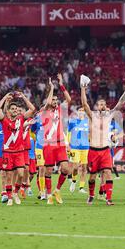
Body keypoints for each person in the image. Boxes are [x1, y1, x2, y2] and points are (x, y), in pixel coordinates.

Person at [81, 76, 125, 206]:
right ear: (97, 106)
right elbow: (84, 104)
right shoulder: (92, 116)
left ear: (106, 106)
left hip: (105, 150)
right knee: (92, 176)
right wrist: (83, 89)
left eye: (104, 104)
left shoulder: (109, 116)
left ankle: (109, 198)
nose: (102, 106)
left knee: (108, 173)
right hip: (93, 151)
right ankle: (91, 195)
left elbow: (121, 103)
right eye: (100, 104)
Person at [0, 92, 36, 206]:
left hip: (19, 152)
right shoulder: (4, 120)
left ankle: (15, 193)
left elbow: (32, 109)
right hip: (7, 152)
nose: (14, 110)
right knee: (8, 176)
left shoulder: (21, 119)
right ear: (8, 111)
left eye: (16, 109)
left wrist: (23, 97)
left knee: (21, 174)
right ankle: (9, 198)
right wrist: (5, 97)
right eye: (12, 108)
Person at [39, 74, 72, 205]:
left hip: (60, 144)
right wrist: (52, 87)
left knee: (65, 169)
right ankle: (48, 195)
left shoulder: (59, 109)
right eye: (53, 100)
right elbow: (47, 103)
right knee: (48, 170)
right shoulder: (44, 110)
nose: (55, 101)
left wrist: (61, 84)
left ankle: (57, 190)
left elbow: (68, 99)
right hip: (48, 145)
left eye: (56, 100)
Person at [68, 107, 90, 194]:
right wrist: (68, 144)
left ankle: (81, 187)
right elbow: (68, 133)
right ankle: (73, 181)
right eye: (80, 110)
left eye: (83, 111)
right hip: (75, 148)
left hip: (85, 148)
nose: (81, 112)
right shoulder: (72, 122)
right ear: (77, 112)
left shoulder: (88, 122)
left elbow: (90, 135)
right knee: (76, 167)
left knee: (84, 168)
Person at [31, 115, 46, 200]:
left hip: (49, 147)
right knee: (41, 168)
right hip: (39, 147)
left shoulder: (52, 118)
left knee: (48, 169)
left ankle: (46, 190)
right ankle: (42, 191)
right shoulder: (37, 119)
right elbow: (32, 130)